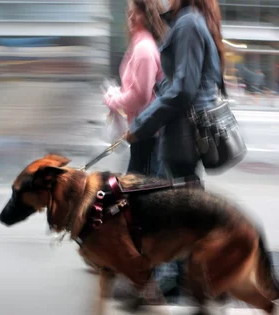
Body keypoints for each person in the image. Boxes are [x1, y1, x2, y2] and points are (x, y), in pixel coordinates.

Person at [123, 0, 227, 307]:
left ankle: (190, 278)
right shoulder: (188, 22)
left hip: (183, 134)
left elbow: (183, 89)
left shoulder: (187, 24)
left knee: (178, 211)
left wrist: (142, 123)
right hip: (181, 133)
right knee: (185, 208)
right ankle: (197, 278)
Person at [103, 0, 167, 177]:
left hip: (147, 133)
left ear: (148, 17)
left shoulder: (144, 48)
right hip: (144, 131)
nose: (130, 17)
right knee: (140, 190)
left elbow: (141, 97)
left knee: (141, 191)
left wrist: (112, 100)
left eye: (136, 13)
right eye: (129, 12)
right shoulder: (140, 44)